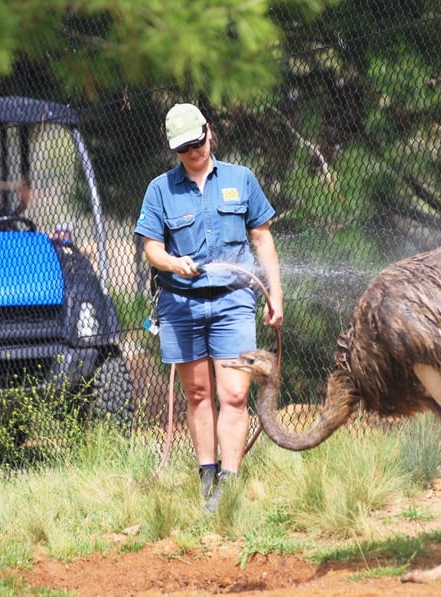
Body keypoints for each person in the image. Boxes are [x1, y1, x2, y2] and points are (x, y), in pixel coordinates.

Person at [134, 102, 284, 511]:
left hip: (234, 301)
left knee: (234, 395)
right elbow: (152, 249)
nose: (194, 152)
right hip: (181, 304)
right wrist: (173, 263)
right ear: (174, 150)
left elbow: (263, 240)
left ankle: (229, 484)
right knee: (198, 393)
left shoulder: (241, 179)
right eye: (184, 148)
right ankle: (207, 477)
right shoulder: (160, 190)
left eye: (197, 142)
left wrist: (276, 296)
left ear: (209, 132)